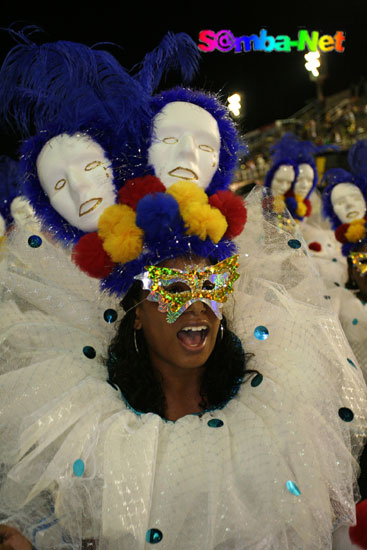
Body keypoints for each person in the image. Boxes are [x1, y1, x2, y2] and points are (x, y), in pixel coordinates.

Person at [0, 32, 366, 550]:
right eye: (172, 288)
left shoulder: (277, 417)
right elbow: (66, 514)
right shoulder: (93, 437)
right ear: (136, 313)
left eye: (210, 284)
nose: (197, 304)